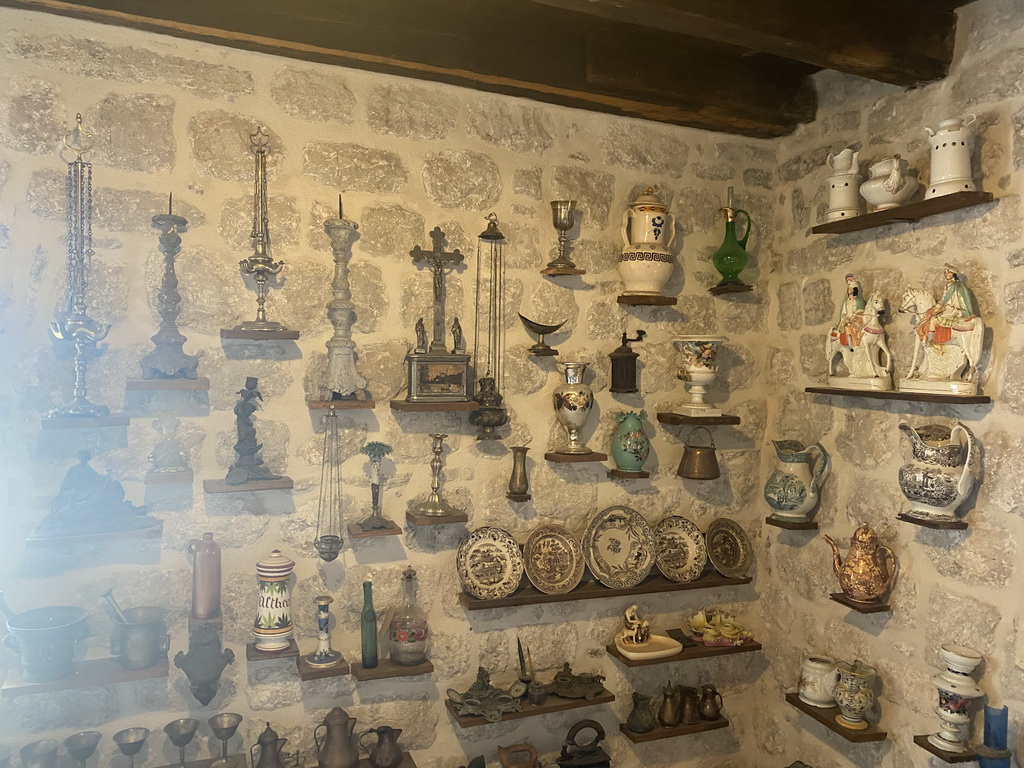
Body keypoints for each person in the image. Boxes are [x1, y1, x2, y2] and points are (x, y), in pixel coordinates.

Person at [917, 264, 977, 342]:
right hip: (947, 309)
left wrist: (941, 308)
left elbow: (956, 302)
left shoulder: (958, 286)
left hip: (955, 311)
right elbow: (943, 300)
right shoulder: (948, 286)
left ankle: (930, 343)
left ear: (953, 274)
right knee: (929, 317)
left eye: (949, 272)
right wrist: (935, 308)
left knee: (933, 321)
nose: (946, 274)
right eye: (945, 272)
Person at [832, 274, 866, 347]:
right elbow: (844, 313)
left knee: (854, 327)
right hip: (848, 319)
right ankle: (851, 345)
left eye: (851, 288)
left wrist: (855, 316)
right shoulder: (846, 302)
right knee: (848, 326)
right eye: (849, 288)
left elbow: (861, 311)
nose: (850, 289)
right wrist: (846, 318)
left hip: (857, 319)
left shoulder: (858, 300)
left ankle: (856, 343)